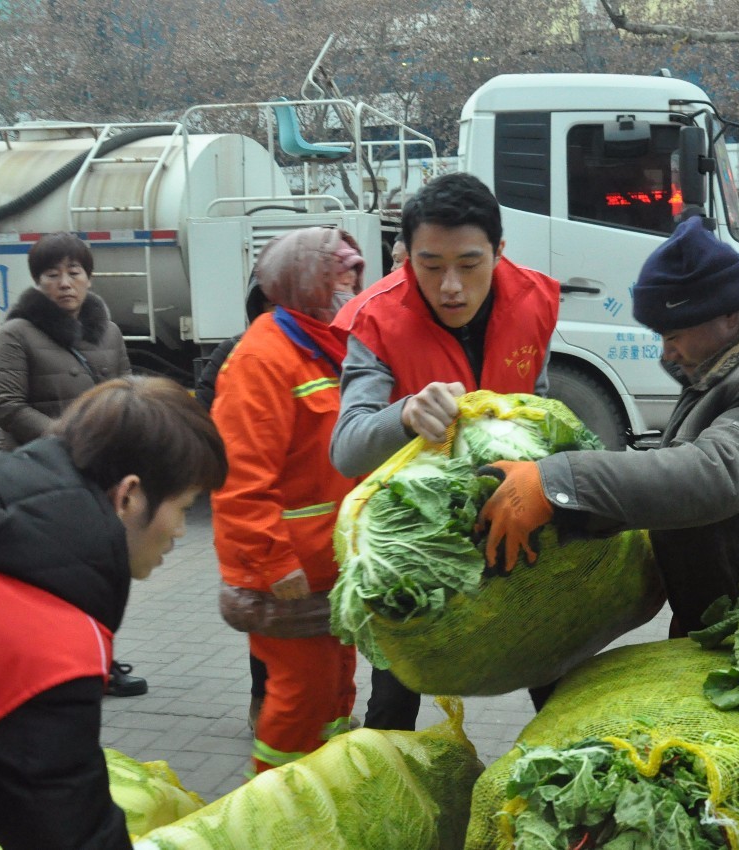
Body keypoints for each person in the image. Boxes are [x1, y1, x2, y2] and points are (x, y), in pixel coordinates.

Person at [477, 216, 739, 636]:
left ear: (728, 315)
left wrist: (556, 482)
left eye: (673, 334)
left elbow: (714, 473)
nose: (667, 353)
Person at [0, 376, 227, 850]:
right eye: (183, 507)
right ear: (128, 496)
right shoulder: (47, 650)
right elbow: (69, 832)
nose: (183, 530)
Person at [329, 172, 560, 730]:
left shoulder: (535, 301)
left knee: (554, 676)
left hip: (513, 517)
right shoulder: (376, 320)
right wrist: (406, 414)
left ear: (499, 252)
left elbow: (543, 405)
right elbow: (347, 448)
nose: (450, 285)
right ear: (406, 256)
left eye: (470, 264)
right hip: (414, 542)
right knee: (393, 698)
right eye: (430, 267)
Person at [209, 226, 364, 775]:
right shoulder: (264, 357)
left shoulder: (330, 346)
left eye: (353, 273)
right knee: (299, 697)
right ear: (303, 282)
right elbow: (238, 479)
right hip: (287, 572)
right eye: (338, 274)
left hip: (329, 567)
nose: (350, 284)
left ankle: (324, 787)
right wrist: (276, 562)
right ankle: (274, 804)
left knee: (335, 691)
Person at [0, 232, 145, 698]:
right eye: (52, 274)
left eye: (74, 272)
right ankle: (36, 667)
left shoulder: (108, 332)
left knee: (99, 570)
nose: (64, 282)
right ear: (38, 282)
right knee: (37, 574)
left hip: (96, 474)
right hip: (35, 473)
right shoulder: (17, 333)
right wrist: (70, 441)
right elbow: (8, 406)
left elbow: (122, 396)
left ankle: (99, 661)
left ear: (89, 277)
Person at [193, 273, 272, 732]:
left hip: (313, 511)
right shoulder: (234, 352)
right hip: (254, 504)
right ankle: (262, 701)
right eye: (266, 302)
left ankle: (324, 708)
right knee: (264, 615)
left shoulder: (322, 350)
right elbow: (203, 411)